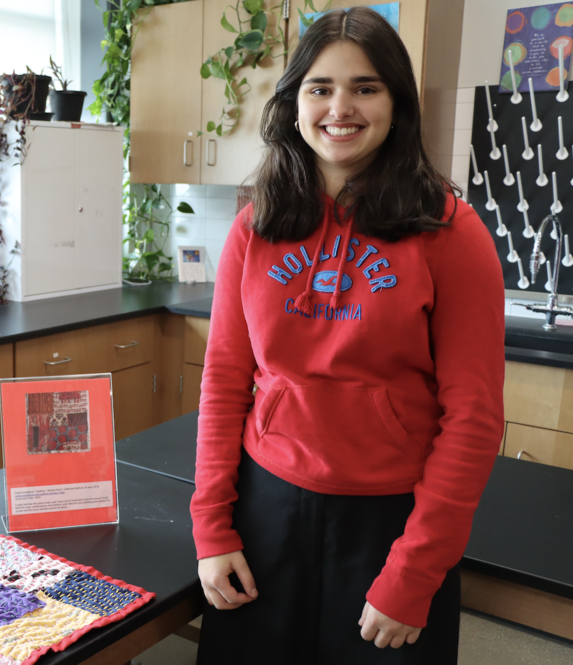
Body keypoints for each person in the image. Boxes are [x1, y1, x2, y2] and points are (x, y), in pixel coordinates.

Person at [190, 7, 504, 664]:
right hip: (265, 508)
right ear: (294, 103)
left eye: (366, 87)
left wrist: (414, 572)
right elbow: (224, 379)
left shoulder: (451, 231)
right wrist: (212, 528)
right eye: (321, 88)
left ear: (397, 103)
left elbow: (473, 417)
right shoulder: (255, 226)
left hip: (391, 522)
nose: (341, 108)